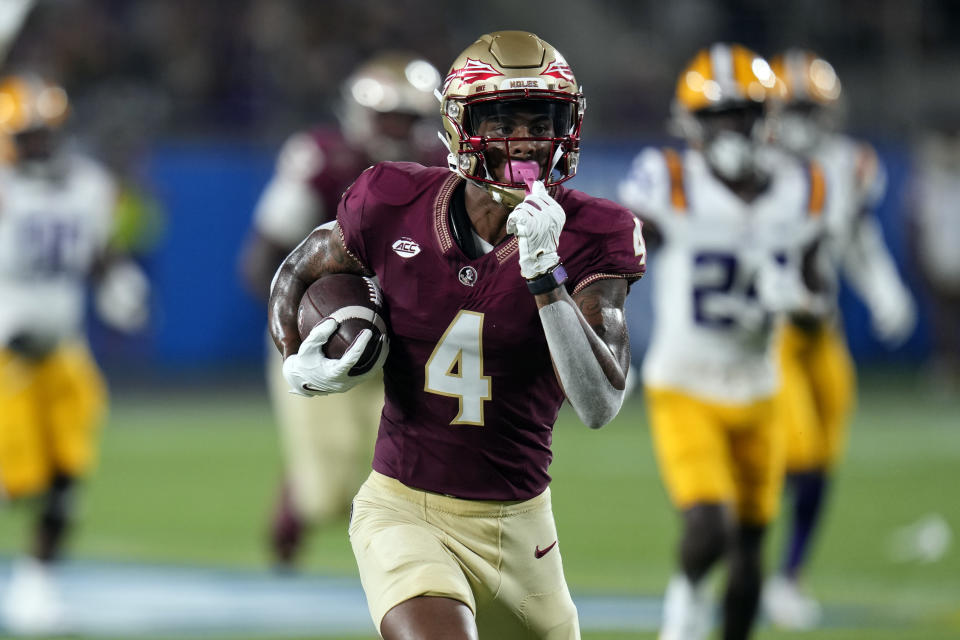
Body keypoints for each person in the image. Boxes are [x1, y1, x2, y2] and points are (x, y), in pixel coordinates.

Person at [268, 30, 646, 640]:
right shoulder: (391, 199)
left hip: (524, 531)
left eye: (541, 118)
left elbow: (600, 404)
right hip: (404, 507)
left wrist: (545, 275)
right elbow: (300, 267)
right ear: (459, 126)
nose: (525, 139)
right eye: (503, 118)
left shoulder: (595, 231)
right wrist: (294, 356)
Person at [618, 43, 830, 640]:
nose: (732, 130)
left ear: (767, 118)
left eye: (743, 114)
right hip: (684, 382)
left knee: (750, 551)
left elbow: (816, 304)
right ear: (692, 124)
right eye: (718, 117)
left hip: (761, 386)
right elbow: (620, 266)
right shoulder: (671, 180)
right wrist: (607, 334)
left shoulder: (804, 187)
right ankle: (683, 611)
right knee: (710, 525)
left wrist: (803, 303)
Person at [239, 51, 444, 569]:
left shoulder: (443, 171)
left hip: (409, 341)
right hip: (326, 336)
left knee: (419, 470)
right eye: (387, 117)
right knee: (327, 496)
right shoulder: (323, 160)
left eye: (409, 118)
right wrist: (302, 321)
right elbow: (263, 254)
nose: (398, 130)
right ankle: (297, 499)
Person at [762, 49, 917, 629]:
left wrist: (884, 290)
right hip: (773, 333)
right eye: (795, 105)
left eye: (812, 107)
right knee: (799, 454)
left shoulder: (848, 163)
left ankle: (789, 576)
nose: (804, 118)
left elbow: (857, 238)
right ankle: (755, 555)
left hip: (821, 332)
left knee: (822, 460)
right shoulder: (756, 165)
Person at [0, 73, 149, 635]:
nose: (38, 144)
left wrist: (119, 286)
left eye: (45, 133)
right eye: (27, 134)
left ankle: (37, 582)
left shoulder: (88, 185)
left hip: (63, 349)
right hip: (5, 356)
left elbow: (102, 256)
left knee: (66, 474)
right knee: (17, 480)